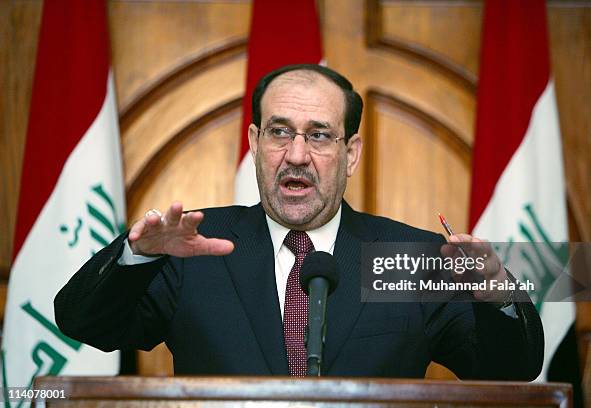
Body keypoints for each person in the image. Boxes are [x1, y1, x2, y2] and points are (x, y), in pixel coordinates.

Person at [54, 64, 543, 379]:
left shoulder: (410, 258)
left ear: (350, 154)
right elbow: (83, 322)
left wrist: (496, 288)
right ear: (254, 142)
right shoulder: (195, 247)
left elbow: (509, 370)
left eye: (320, 136)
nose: (296, 155)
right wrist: (137, 254)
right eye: (279, 132)